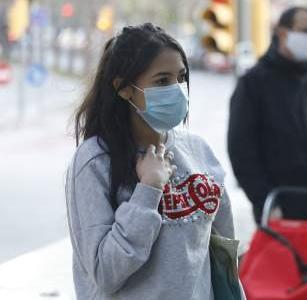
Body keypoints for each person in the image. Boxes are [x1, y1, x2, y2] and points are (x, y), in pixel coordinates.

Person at [66, 23, 237, 299]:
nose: (178, 89)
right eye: (162, 81)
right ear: (124, 89)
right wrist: (148, 191)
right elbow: (104, 273)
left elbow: (224, 255)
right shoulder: (95, 161)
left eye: (181, 77)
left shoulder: (198, 151)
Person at [228, 7, 307, 224]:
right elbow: (241, 150)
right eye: (306, 30)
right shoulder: (254, 83)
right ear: (282, 33)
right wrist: (265, 201)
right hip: (277, 213)